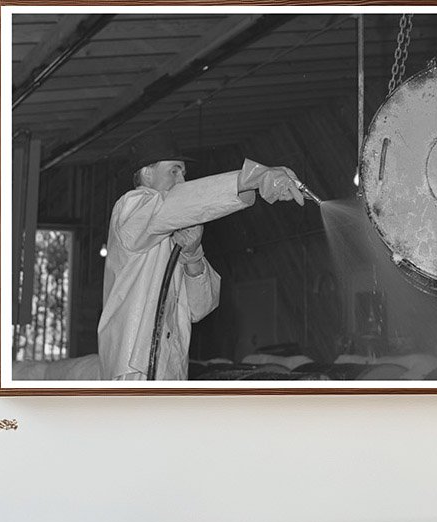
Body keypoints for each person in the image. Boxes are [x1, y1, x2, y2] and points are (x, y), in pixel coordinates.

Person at [97, 132, 305, 380]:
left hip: (169, 367)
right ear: (146, 173)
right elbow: (172, 206)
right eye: (174, 171)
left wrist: (193, 255)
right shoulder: (131, 207)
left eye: (183, 172)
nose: (182, 180)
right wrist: (250, 179)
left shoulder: (171, 226)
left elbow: (200, 307)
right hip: (133, 367)